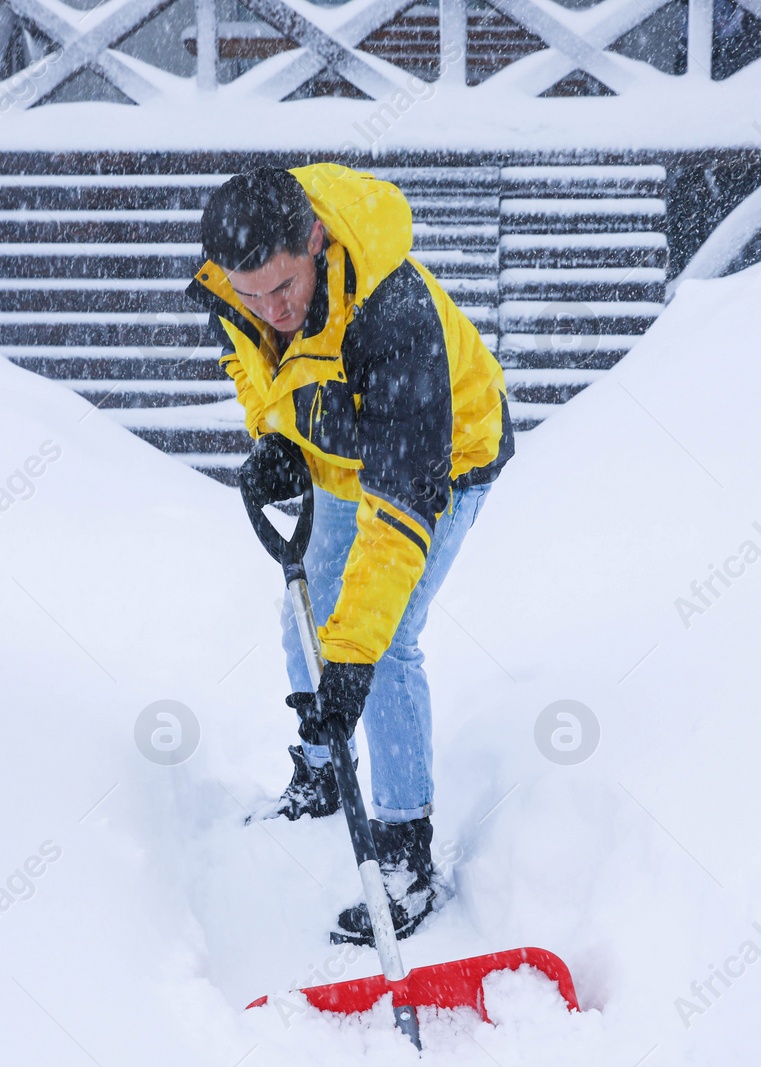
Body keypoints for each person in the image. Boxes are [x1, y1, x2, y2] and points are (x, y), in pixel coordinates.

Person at [188, 164, 514, 944]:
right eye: (251, 294)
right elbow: (254, 365)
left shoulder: (389, 314)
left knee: (385, 639)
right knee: (308, 608)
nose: (271, 310)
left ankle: (405, 854)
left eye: (284, 288)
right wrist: (276, 439)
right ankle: (322, 765)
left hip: (441, 458)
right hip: (345, 450)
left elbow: (400, 509)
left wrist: (354, 661)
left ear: (317, 240)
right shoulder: (244, 287)